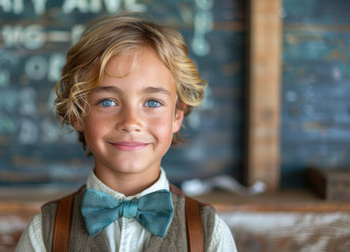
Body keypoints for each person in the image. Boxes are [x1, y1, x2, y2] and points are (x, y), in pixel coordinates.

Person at [16, 12, 237, 252]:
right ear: (79, 113)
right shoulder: (46, 231)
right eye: (108, 102)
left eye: (152, 102)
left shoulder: (207, 233)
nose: (131, 122)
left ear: (176, 116)